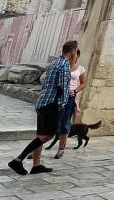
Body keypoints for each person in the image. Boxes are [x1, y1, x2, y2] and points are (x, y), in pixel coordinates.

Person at [8, 39, 77, 176]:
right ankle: (18, 160)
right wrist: (62, 106)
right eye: (76, 51)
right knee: (47, 135)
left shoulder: (55, 63)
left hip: (42, 102)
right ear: (73, 51)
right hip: (51, 104)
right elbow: (63, 88)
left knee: (40, 135)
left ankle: (36, 165)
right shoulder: (64, 65)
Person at [53, 45, 84, 159]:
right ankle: (38, 147)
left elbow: (83, 83)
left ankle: (61, 148)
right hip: (59, 95)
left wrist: (75, 90)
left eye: (75, 55)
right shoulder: (62, 66)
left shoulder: (80, 69)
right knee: (52, 121)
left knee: (65, 123)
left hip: (70, 97)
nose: (73, 57)